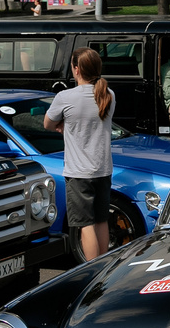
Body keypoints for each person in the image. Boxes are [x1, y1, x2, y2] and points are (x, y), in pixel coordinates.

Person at [44, 47, 116, 260]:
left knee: (85, 225)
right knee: (102, 220)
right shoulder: (108, 94)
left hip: (79, 173)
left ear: (76, 70)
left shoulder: (65, 97)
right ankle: (104, 267)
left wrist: (65, 123)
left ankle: (92, 269)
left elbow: (48, 123)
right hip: (103, 169)